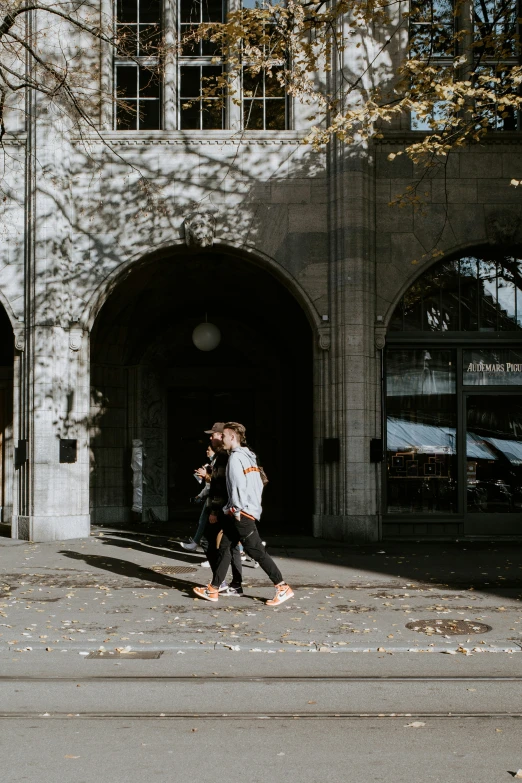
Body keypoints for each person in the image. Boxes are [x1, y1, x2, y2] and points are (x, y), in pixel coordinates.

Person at [193, 421, 294, 606]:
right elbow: (257, 483)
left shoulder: (235, 458)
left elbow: (237, 486)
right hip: (244, 510)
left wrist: (236, 508)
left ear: (232, 436)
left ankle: (282, 586)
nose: (221, 438)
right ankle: (213, 589)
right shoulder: (249, 456)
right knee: (224, 547)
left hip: (240, 513)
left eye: (223, 435)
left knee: (256, 550)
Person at [198, 422, 243, 596]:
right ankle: (231, 583)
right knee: (232, 546)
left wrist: (215, 511)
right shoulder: (222, 455)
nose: (212, 437)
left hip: (223, 508)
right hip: (228, 508)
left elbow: (221, 486)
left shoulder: (223, 456)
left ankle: (221, 582)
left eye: (215, 434)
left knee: (209, 541)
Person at [181, 445, 214, 552]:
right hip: (212, 497)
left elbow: (216, 484)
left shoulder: (217, 464)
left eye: (208, 450)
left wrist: (206, 476)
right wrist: (200, 495)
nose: (206, 451)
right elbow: (208, 485)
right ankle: (195, 543)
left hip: (216, 499)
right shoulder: (210, 464)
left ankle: (249, 548)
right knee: (203, 520)